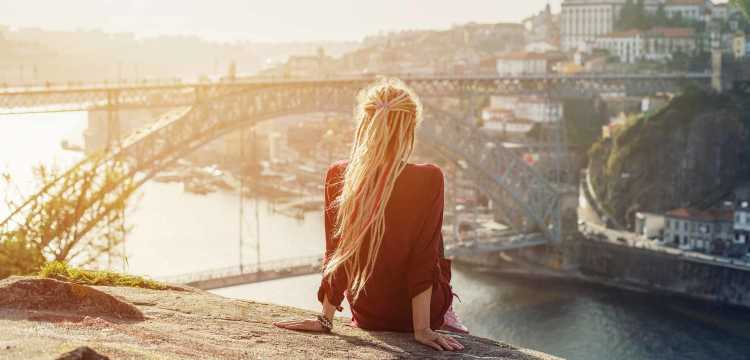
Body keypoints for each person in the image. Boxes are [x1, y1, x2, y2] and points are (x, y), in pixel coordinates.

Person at [274, 78, 467, 352]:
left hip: (369, 314)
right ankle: (446, 314)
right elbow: (423, 259)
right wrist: (422, 329)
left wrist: (326, 319)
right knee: (431, 237)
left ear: (364, 125)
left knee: (355, 236)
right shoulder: (429, 178)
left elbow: (336, 253)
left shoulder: (339, 175)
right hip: (415, 318)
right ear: (409, 127)